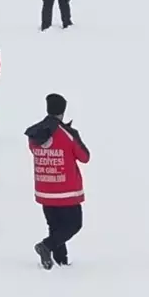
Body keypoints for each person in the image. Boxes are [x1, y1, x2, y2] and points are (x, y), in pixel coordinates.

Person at [25, 93, 90, 270]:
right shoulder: (67, 134)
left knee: (55, 227)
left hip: (44, 189)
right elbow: (84, 157)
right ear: (62, 111)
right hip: (66, 190)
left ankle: (60, 262)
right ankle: (46, 246)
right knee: (74, 224)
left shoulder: (34, 133)